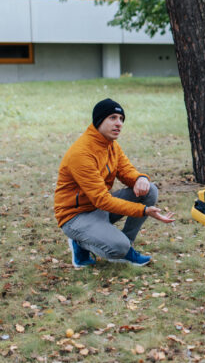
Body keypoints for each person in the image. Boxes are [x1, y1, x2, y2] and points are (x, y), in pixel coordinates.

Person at [54, 98, 174, 269]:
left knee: (150, 190)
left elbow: (126, 171)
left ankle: (126, 245)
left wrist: (140, 178)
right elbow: (102, 200)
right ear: (99, 121)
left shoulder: (111, 145)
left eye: (121, 119)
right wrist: (143, 210)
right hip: (76, 216)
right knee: (118, 247)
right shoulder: (81, 154)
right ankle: (80, 242)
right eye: (112, 118)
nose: (119, 124)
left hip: (99, 208)